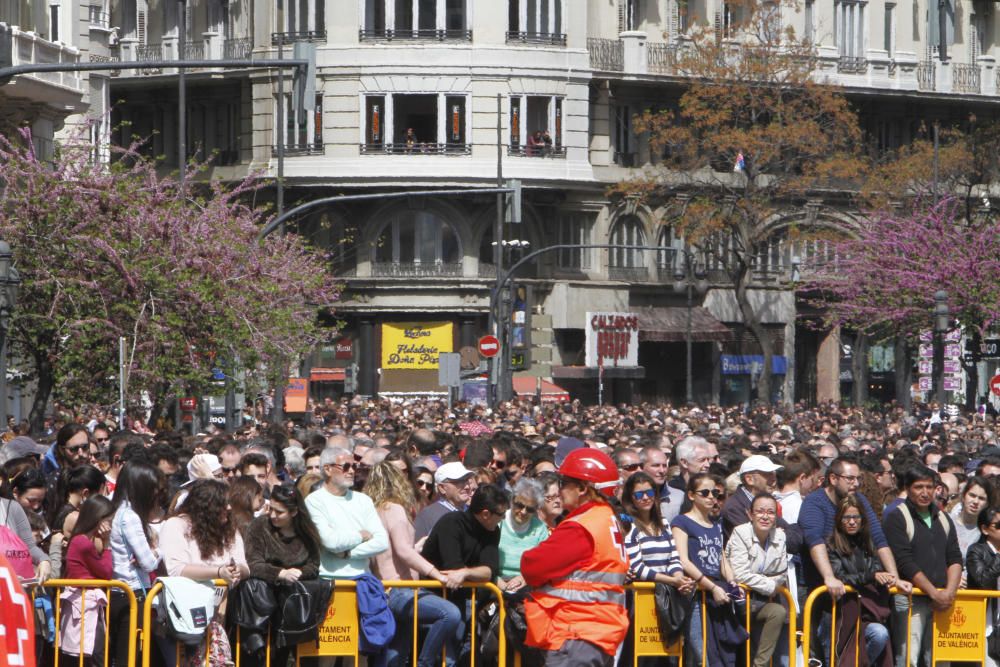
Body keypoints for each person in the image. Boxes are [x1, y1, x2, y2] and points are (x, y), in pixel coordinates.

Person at [521, 449, 628, 667]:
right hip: (597, 630)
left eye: (563, 482)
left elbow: (532, 566)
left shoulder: (581, 526)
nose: (559, 490)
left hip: (576, 630)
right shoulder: (606, 517)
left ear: (582, 488)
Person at [366, 462, 461, 667]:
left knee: (394, 655)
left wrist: (416, 547)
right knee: (450, 613)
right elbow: (402, 550)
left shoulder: (373, 510)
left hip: (385, 590)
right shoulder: (395, 508)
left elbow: (394, 550)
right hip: (400, 590)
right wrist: (437, 574)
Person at [883, 465, 962, 667]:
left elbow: (954, 558)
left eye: (929, 487)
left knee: (939, 659)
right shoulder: (897, 517)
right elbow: (905, 562)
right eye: (919, 487)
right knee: (909, 657)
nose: (925, 492)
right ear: (908, 488)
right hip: (911, 598)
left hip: (943, 599)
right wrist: (934, 593)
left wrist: (949, 593)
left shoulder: (943, 518)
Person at [243, 483, 321, 667]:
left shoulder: (307, 531)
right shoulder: (259, 525)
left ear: (294, 513)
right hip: (263, 605)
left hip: (296, 604)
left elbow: (314, 564)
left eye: (280, 512)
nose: (272, 515)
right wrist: (280, 573)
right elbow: (253, 563)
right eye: (271, 509)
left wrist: (298, 573)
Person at [672, 472, 735, 667]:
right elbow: (684, 561)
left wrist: (732, 582)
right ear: (691, 495)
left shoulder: (715, 524)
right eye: (705, 492)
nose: (711, 497)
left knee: (719, 655)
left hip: (717, 595)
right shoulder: (681, 522)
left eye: (715, 493)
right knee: (701, 655)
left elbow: (721, 557)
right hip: (695, 596)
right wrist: (712, 587)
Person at [825, 495, 893, 667]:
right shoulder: (832, 546)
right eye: (847, 517)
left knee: (880, 634)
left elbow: (877, 569)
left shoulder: (869, 544)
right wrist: (869, 577)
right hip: (844, 613)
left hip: (870, 611)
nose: (852, 522)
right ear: (839, 520)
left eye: (856, 517)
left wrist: (884, 577)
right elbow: (839, 576)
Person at [109, 461, 165, 667]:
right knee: (131, 657)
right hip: (133, 594)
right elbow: (149, 562)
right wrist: (159, 550)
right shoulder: (129, 516)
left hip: (123, 593)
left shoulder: (119, 512)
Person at [305, 447, 388, 579]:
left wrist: (347, 554)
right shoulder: (314, 501)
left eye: (354, 466)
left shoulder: (363, 500)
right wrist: (360, 536)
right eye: (346, 466)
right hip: (329, 580)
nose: (351, 471)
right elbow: (330, 542)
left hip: (362, 580)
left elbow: (382, 542)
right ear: (328, 469)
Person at [60, 495, 115, 666]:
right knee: (94, 654)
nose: (109, 526)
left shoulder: (82, 540)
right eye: (108, 520)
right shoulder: (83, 542)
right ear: (98, 518)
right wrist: (106, 544)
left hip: (85, 603)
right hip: (84, 604)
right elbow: (106, 572)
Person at [621, 472, 694, 591]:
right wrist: (672, 581)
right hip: (642, 594)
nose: (645, 498)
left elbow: (674, 559)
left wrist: (680, 579)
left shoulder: (664, 523)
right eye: (639, 495)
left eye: (649, 493)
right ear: (630, 498)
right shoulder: (628, 525)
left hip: (667, 592)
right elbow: (637, 568)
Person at [497, 478, 548, 593]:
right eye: (519, 505)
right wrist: (498, 582)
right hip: (495, 584)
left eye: (530, 509)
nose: (523, 512)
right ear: (512, 500)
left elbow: (544, 563)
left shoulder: (540, 529)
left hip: (526, 585)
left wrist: (525, 578)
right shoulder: (498, 521)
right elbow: (484, 559)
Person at [413, 461, 476, 540]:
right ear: (442, 488)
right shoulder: (427, 516)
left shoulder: (472, 514)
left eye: (467, 481)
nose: (467, 487)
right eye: (459, 482)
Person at [950, 475, 991, 562]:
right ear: (963, 496)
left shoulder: (985, 533)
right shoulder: (947, 521)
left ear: (987, 504)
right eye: (972, 495)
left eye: (981, 498)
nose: (976, 501)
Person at [227, 475, 264, 539]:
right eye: (260, 498)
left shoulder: (226, 517)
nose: (261, 500)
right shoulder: (251, 525)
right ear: (252, 496)